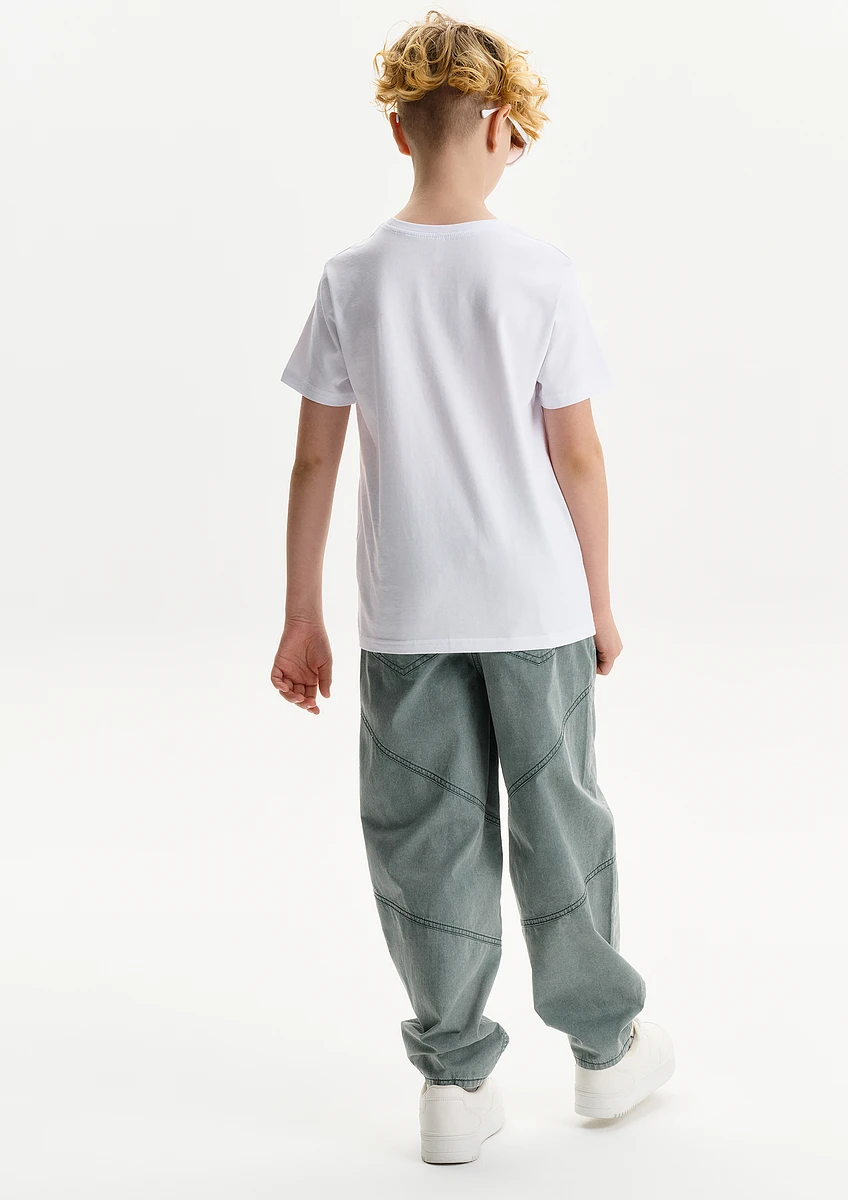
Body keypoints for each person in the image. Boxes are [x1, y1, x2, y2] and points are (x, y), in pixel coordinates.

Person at [271, 10, 674, 1165]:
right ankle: (603, 1052)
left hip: (407, 617)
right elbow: (578, 455)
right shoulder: (540, 272)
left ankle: (452, 1081)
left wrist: (302, 613)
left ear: (400, 130)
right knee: (562, 825)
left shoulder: (352, 277)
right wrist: (600, 600)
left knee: (424, 841)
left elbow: (315, 460)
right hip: (535, 606)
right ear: (499, 125)